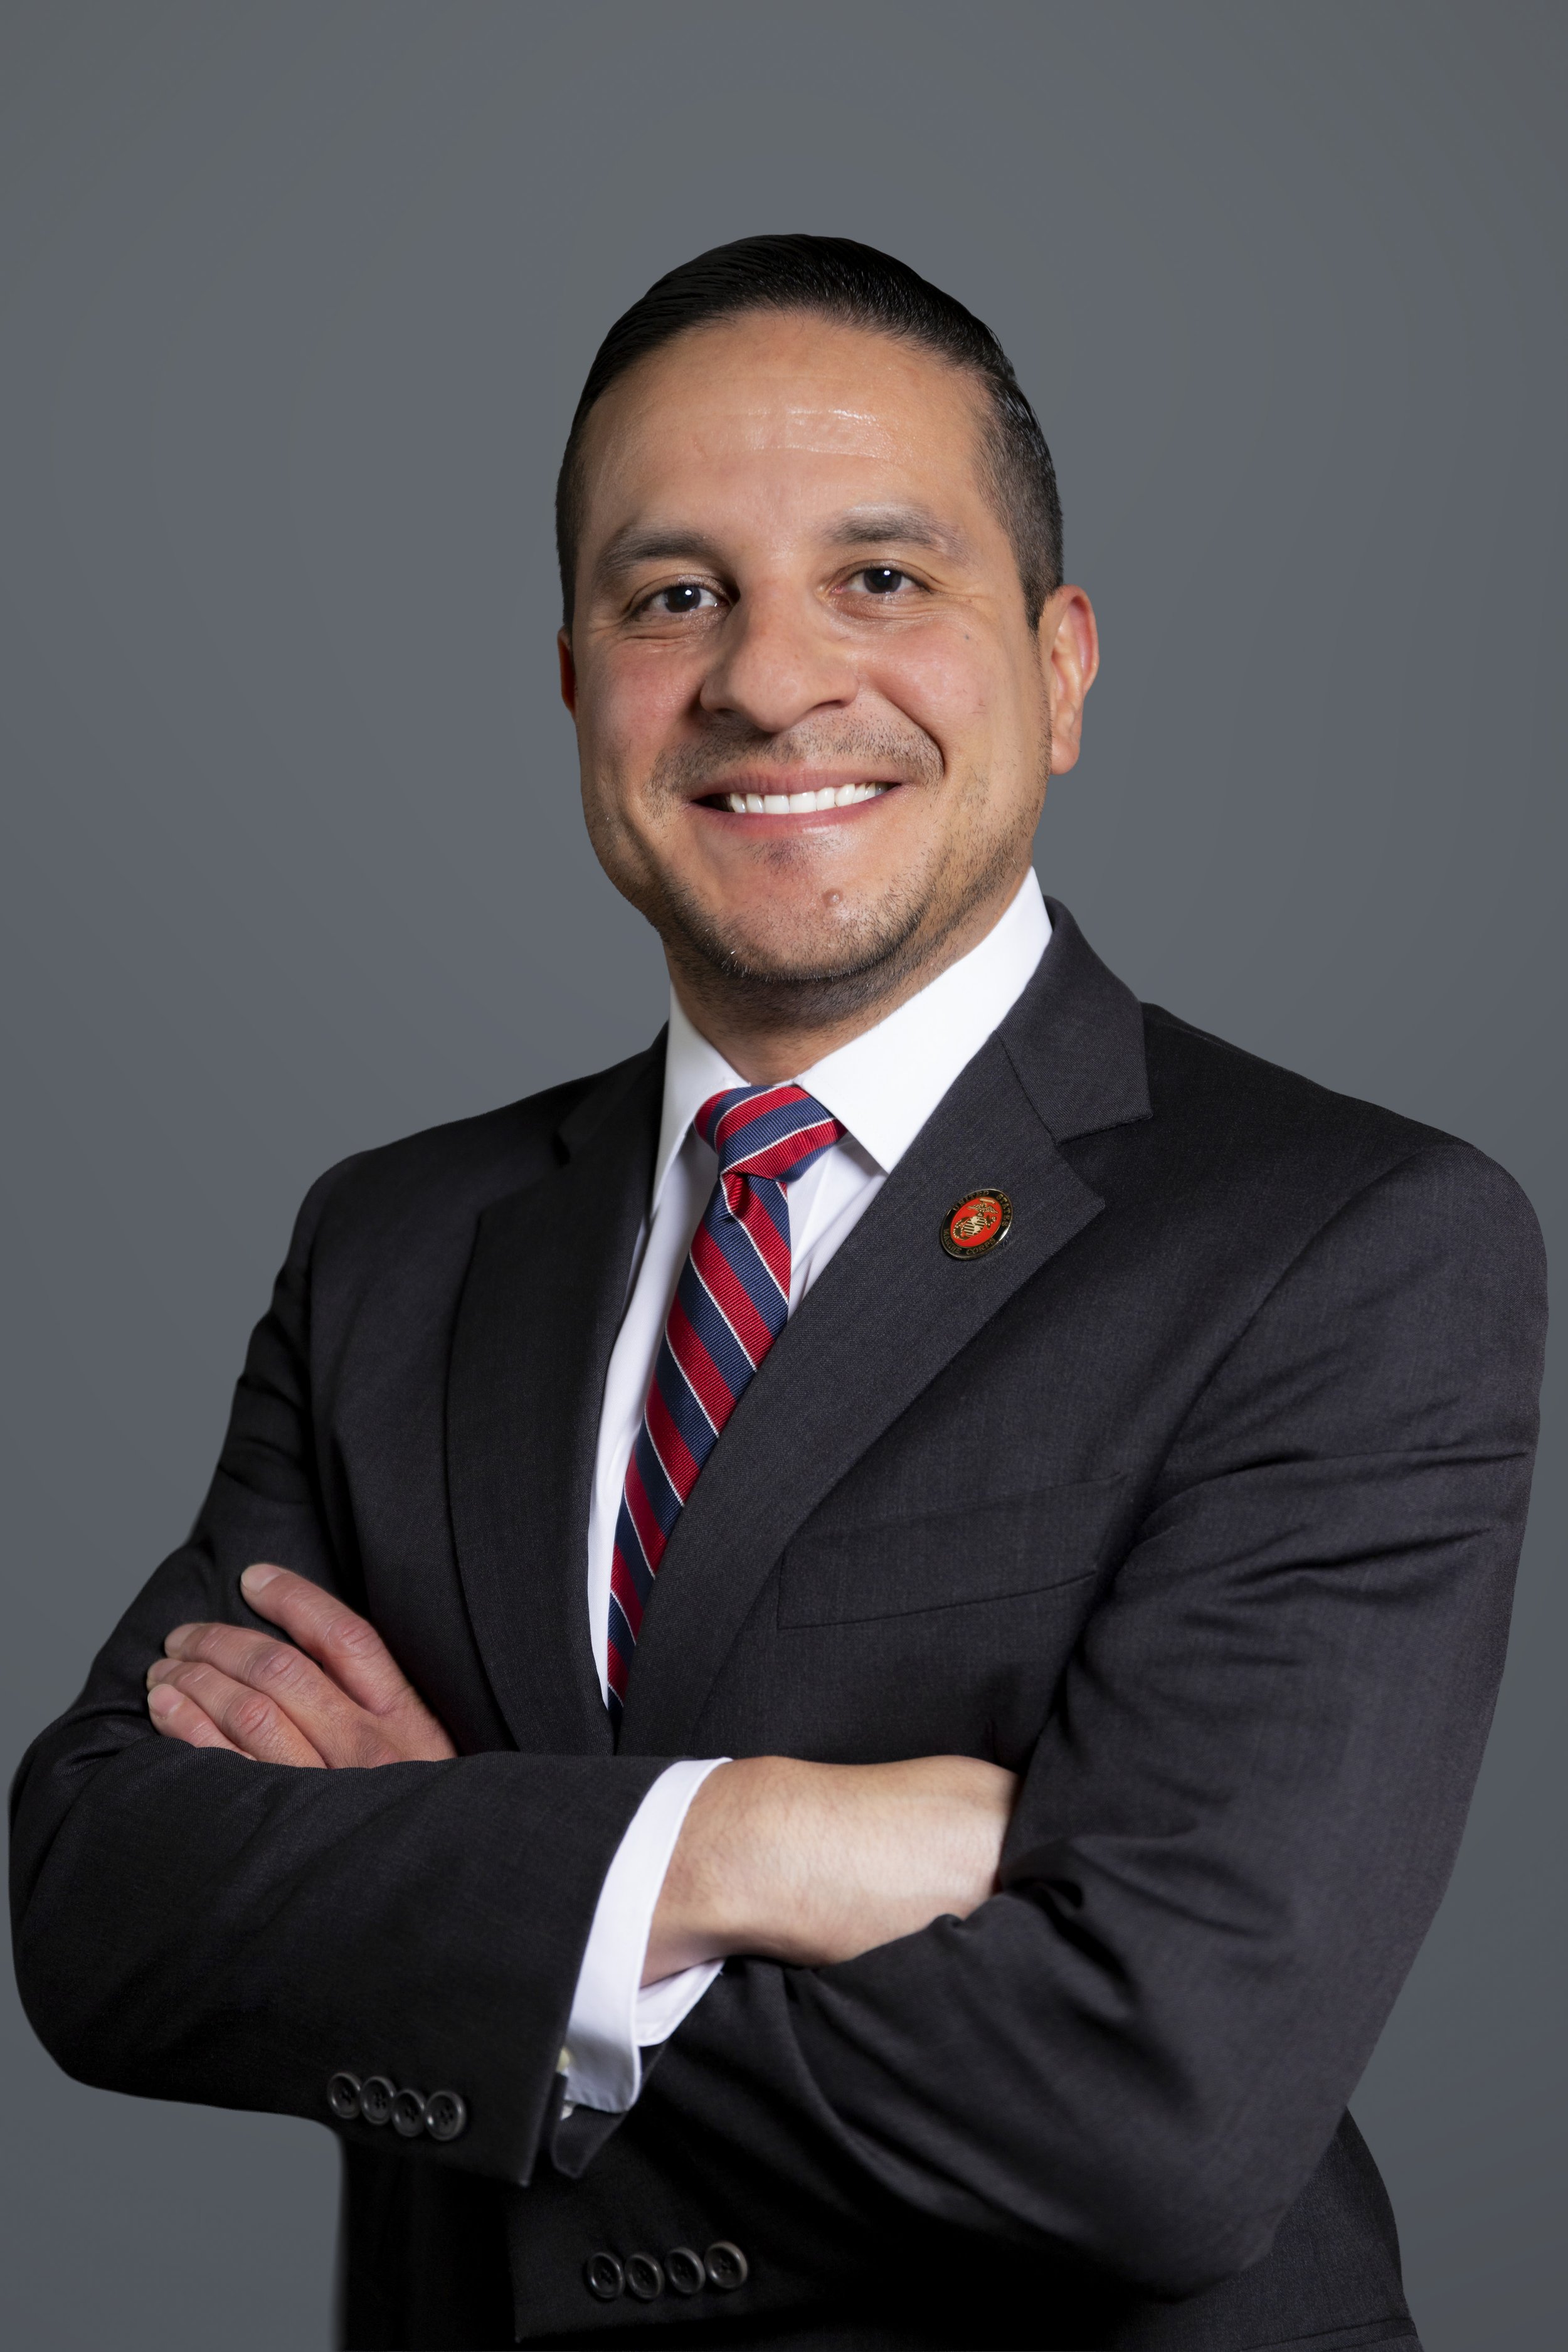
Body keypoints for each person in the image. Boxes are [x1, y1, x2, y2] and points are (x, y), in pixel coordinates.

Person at [9, 236, 1545, 2352]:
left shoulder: (1348, 1244)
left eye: (883, 580)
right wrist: (743, 1848)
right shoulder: (397, 1242)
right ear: (575, 684)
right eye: (673, 596)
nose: (766, 680)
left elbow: (1153, 2115)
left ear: (1064, 665)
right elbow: (106, 1910)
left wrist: (460, 1893)